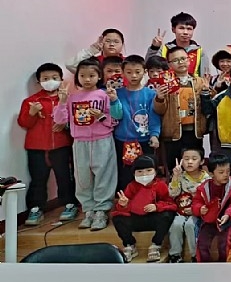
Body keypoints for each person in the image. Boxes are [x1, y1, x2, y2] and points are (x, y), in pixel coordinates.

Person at [53, 58, 120, 231]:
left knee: (104, 175)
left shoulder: (104, 95)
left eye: (91, 75)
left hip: (102, 141)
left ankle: (102, 211)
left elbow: (115, 119)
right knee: (82, 177)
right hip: (80, 142)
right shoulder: (72, 97)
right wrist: (61, 102)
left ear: (99, 76)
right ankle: (88, 210)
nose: (87, 79)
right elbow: (60, 120)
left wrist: (101, 116)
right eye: (82, 76)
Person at [18, 62, 76, 225]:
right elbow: (24, 123)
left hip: (61, 146)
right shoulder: (31, 101)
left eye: (54, 77)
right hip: (36, 148)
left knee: (64, 177)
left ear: (61, 79)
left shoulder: (68, 99)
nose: (50, 81)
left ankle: (69, 204)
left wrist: (65, 125)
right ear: (39, 82)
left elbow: (76, 121)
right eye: (45, 78)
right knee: (37, 179)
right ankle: (35, 208)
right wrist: (32, 113)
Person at [112, 155, 177, 263]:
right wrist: (124, 205)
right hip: (136, 219)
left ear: (155, 171)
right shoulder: (131, 186)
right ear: (134, 173)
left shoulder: (160, 185)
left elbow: (171, 204)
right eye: (140, 171)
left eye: (148, 170)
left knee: (168, 214)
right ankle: (130, 245)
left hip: (153, 219)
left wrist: (157, 207)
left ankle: (156, 245)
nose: (144, 174)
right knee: (117, 218)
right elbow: (122, 210)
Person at [154, 46, 207, 173]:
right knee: (175, 169)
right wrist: (159, 98)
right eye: (176, 60)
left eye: (183, 58)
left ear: (189, 60)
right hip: (173, 134)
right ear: (169, 64)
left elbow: (207, 107)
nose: (181, 62)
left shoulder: (199, 82)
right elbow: (160, 111)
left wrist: (209, 90)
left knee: (194, 167)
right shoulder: (165, 84)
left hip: (194, 133)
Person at [113, 55, 160, 190]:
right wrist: (113, 100)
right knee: (125, 174)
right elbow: (115, 115)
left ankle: (148, 198)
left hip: (145, 140)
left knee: (147, 173)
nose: (133, 76)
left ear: (144, 72)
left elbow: (154, 116)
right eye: (129, 72)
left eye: (137, 72)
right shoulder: (117, 94)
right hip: (122, 140)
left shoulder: (150, 94)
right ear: (123, 73)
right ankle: (126, 199)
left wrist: (154, 135)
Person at [192, 152, 231, 262]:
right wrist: (200, 209)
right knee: (202, 244)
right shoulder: (203, 187)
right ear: (211, 174)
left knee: (224, 244)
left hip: (227, 221)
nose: (226, 175)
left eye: (228, 171)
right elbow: (196, 203)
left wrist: (228, 215)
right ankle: (205, 266)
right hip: (209, 221)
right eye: (221, 172)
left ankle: (224, 266)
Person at [167, 147, 210, 263]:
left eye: (194, 159)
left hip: (198, 214)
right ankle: (175, 255)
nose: (189, 162)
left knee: (190, 225)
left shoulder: (207, 179)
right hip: (181, 211)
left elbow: (208, 200)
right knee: (176, 224)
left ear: (201, 161)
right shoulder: (180, 176)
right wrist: (175, 176)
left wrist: (195, 210)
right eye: (186, 159)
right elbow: (172, 194)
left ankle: (195, 255)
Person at [146, 12, 209, 76]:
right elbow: (149, 66)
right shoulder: (164, 49)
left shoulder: (199, 51)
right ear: (173, 29)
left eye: (189, 29)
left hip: (192, 82)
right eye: (181, 28)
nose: (185, 32)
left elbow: (204, 76)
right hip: (168, 82)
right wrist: (154, 48)